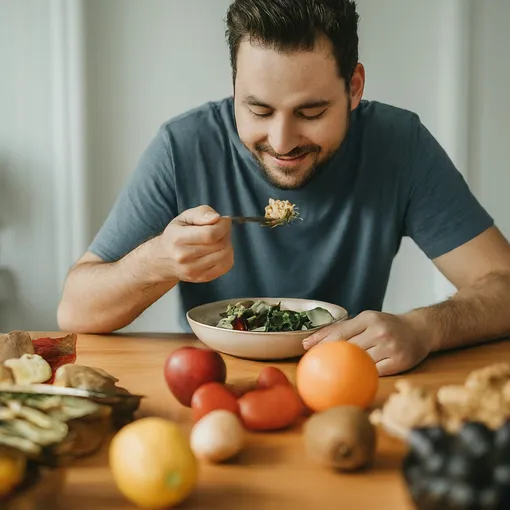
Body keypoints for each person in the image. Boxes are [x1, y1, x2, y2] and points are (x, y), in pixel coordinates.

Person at [57, 0, 510, 376]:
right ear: (234, 87)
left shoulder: (399, 145)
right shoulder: (185, 146)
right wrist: (156, 261)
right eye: (257, 110)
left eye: (311, 112)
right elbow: (75, 311)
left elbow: (504, 286)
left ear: (354, 88)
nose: (281, 142)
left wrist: (424, 328)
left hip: (346, 382)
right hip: (215, 385)